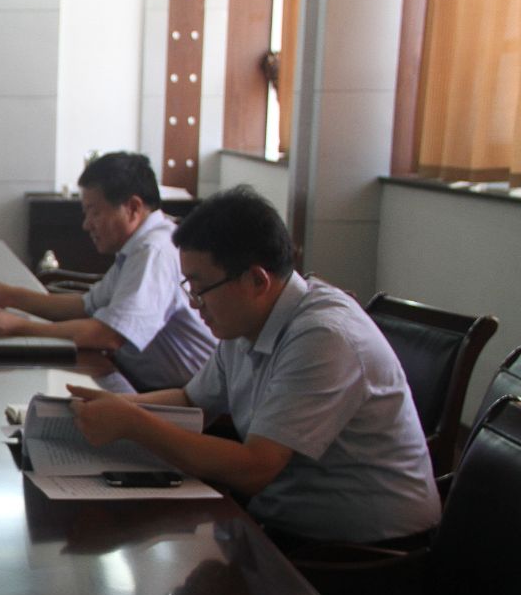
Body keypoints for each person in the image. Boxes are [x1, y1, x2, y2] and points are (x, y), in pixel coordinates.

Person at [65, 186, 440, 548]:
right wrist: (107, 407)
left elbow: (256, 468)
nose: (194, 304)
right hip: (282, 524)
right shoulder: (244, 321)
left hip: (361, 554)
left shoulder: (323, 336)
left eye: (200, 288)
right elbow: (190, 400)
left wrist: (133, 423)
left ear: (257, 280)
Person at [0, 152, 214, 390]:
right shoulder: (137, 247)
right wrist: (12, 296)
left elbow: (108, 335)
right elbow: (85, 306)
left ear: (132, 207)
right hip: (147, 382)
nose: (87, 224)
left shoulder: (154, 251)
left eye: (94, 212)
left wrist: (18, 327)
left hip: (189, 399)